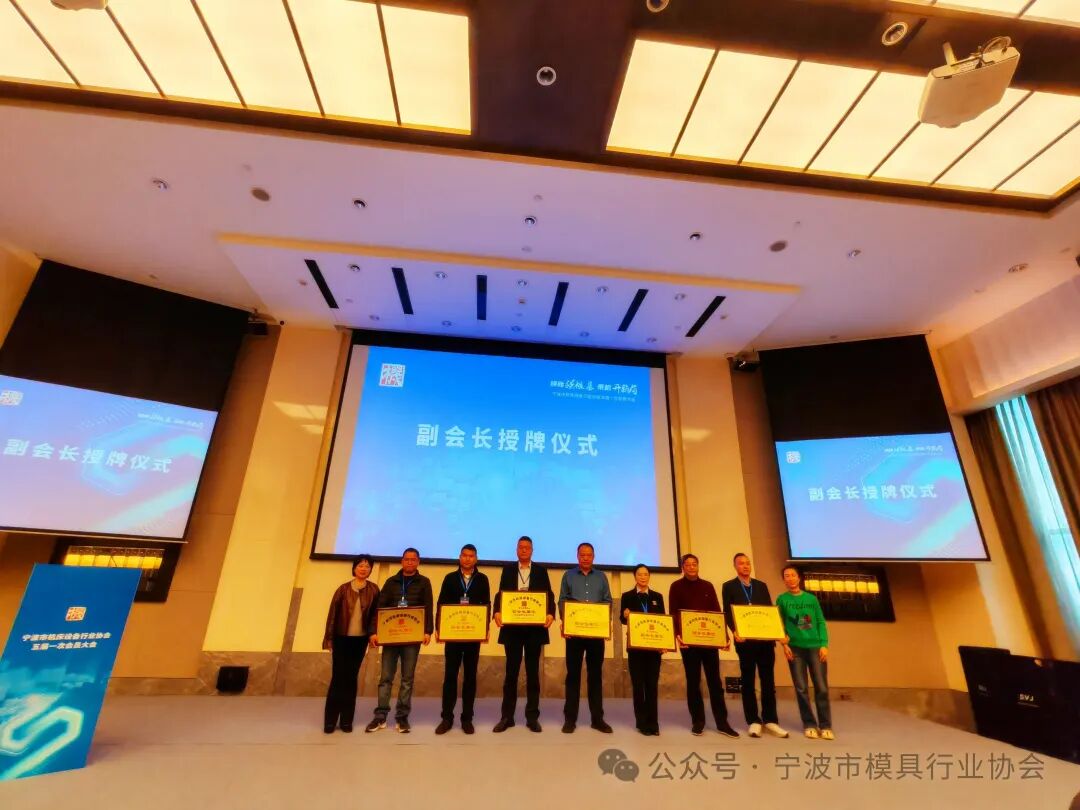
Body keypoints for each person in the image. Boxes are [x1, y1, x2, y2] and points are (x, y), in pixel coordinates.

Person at [668, 553, 740, 738]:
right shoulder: (675, 586)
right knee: (693, 682)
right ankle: (697, 721)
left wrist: (723, 637)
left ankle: (722, 723)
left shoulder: (707, 586)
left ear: (698, 566)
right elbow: (673, 612)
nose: (691, 567)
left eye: (694, 564)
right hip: (688, 643)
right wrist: (677, 635)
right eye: (688, 564)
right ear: (683, 567)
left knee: (715, 682)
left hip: (709, 642)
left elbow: (716, 611)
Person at [721, 552, 789, 738]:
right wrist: (734, 631)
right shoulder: (729, 586)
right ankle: (753, 720)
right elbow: (728, 612)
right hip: (745, 643)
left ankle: (771, 720)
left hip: (765, 642)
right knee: (748, 681)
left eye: (747, 563)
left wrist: (778, 634)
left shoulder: (761, 586)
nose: (745, 566)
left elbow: (769, 613)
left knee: (768, 681)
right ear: (735, 566)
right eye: (741, 563)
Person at [365, 547, 433, 734]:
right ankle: (380, 716)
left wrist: (428, 631)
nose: (410, 562)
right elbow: (380, 608)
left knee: (407, 679)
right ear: (402, 561)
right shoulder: (391, 582)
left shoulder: (424, 582)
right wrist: (373, 632)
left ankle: (402, 717)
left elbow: (428, 607)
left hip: (412, 638)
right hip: (391, 637)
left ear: (418, 562)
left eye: (413, 559)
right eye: (406, 559)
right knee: (386, 677)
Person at [492, 536, 555, 732]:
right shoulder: (508, 570)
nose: (524, 550)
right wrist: (497, 611)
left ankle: (532, 717)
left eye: (527, 547)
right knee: (511, 674)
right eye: (521, 547)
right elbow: (501, 594)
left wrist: (550, 613)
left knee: (533, 674)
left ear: (532, 550)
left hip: (534, 631)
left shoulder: (541, 571)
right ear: (516, 550)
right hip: (512, 630)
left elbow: (549, 595)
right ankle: (507, 717)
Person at [435, 544, 491, 735]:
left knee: (470, 677)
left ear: (476, 559)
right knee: (450, 676)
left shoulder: (482, 579)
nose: (467, 559)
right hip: (453, 635)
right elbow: (441, 603)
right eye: (464, 555)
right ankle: (446, 718)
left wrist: (485, 629)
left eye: (471, 556)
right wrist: (439, 628)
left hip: (473, 636)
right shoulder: (450, 578)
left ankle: (467, 719)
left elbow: (487, 605)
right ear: (460, 557)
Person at [559, 542, 613, 734]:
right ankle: (570, 719)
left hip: (595, 634)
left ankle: (597, 719)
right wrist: (566, 622)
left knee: (595, 676)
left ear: (593, 556)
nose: (585, 558)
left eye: (589, 555)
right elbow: (562, 600)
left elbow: (608, 601)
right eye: (582, 554)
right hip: (574, 634)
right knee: (572, 676)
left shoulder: (601, 577)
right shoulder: (568, 575)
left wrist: (604, 624)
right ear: (577, 556)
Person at [322, 554, 380, 733]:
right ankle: (330, 721)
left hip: (359, 640)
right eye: (360, 565)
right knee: (338, 678)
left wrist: (373, 634)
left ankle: (346, 721)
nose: (363, 569)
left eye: (367, 566)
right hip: (341, 638)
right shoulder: (343, 589)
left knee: (351, 679)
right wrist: (328, 638)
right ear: (354, 568)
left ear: (370, 570)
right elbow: (332, 615)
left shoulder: (374, 590)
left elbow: (375, 616)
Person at [776, 565, 834, 740]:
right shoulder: (781, 600)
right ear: (784, 580)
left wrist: (824, 644)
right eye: (786, 576)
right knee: (801, 688)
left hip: (815, 647)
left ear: (799, 578)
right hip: (795, 648)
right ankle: (809, 724)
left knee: (821, 687)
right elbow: (779, 624)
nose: (790, 578)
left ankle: (825, 725)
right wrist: (784, 644)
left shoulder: (811, 599)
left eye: (793, 575)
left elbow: (820, 621)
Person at [619, 564, 664, 736]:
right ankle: (641, 723)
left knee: (652, 686)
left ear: (649, 576)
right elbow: (622, 620)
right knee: (638, 686)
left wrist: (663, 644)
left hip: (654, 649)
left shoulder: (657, 597)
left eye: (646, 574)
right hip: (635, 649)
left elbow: (663, 622)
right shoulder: (627, 596)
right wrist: (625, 615)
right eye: (640, 574)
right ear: (635, 576)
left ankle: (654, 723)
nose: (643, 577)